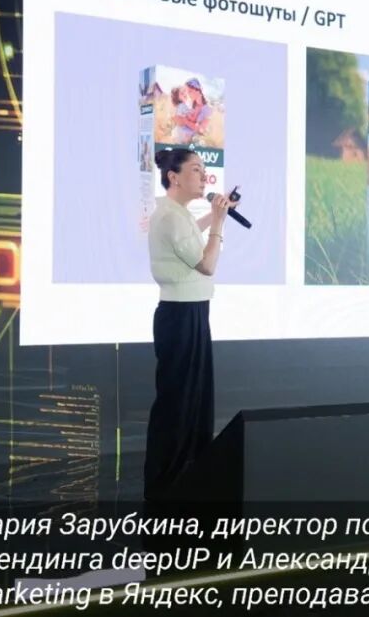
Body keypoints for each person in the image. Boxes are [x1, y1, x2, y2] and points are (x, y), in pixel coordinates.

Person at [144, 148, 236, 500]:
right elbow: (206, 265)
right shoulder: (170, 216)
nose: (204, 176)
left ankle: (188, 474)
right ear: (174, 177)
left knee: (193, 400)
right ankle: (168, 480)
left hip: (192, 313)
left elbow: (189, 238)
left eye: (204, 169)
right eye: (196, 169)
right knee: (178, 403)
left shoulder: (176, 214)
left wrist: (214, 216)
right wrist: (220, 224)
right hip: (180, 317)